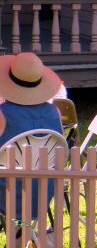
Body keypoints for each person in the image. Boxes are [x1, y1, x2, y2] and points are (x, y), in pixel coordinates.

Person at [0, 52, 65, 220]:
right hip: (42, 191)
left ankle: (19, 229)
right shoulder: (55, 112)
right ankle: (22, 231)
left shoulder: (2, 114)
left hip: (6, 190)